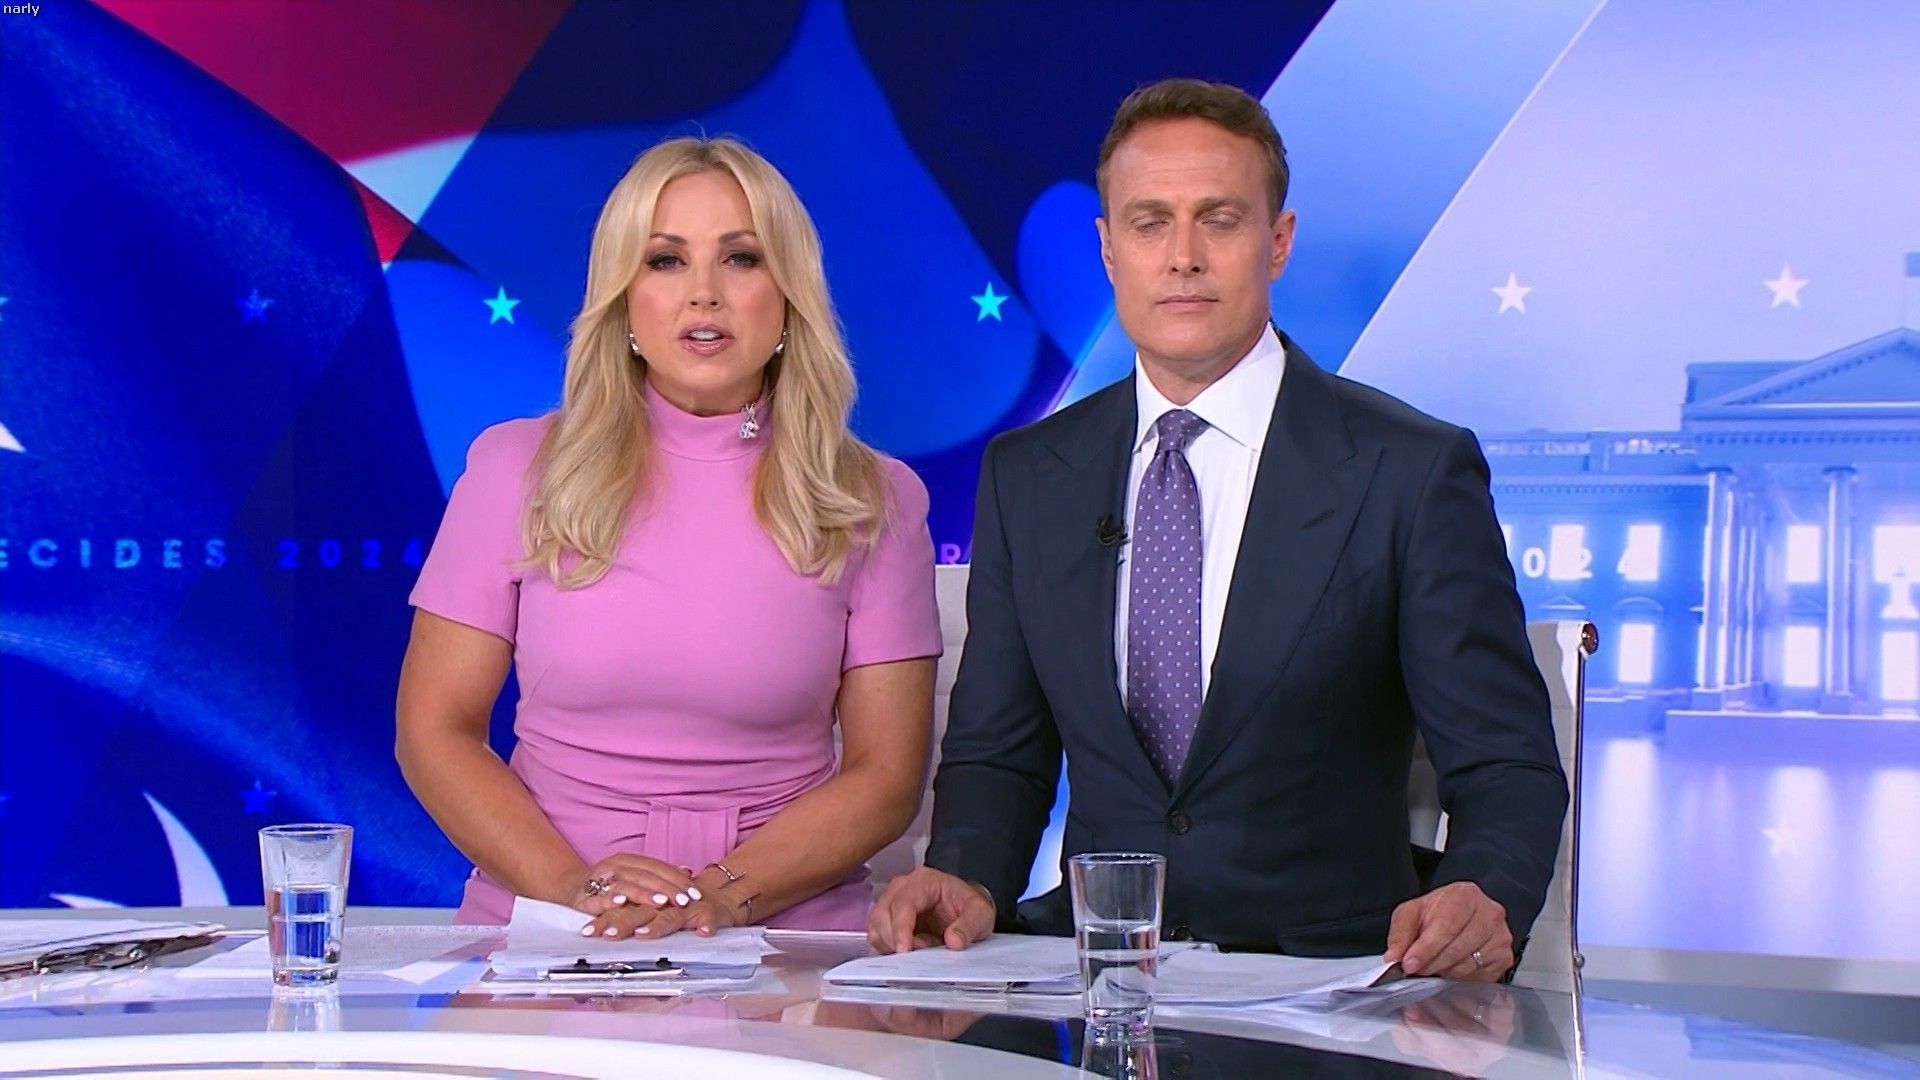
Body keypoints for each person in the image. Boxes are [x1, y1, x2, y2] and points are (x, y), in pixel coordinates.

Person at [870, 79, 1566, 981]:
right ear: (1108, 248)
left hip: (1335, 985)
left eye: (1221, 220)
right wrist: (965, 877)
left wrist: (1483, 892)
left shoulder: (1409, 470)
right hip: (1095, 979)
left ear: (1278, 241)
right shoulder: (1029, 475)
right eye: (1150, 223)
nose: (1183, 257)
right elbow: (998, 759)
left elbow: (1507, 765)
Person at [398, 136, 940, 939]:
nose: (704, 295)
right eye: (665, 260)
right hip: (548, 922)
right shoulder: (514, 469)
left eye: (742, 258)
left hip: (782, 930)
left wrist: (719, 896)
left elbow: (885, 775)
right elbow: (434, 731)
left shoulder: (874, 497)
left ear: (789, 296)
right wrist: (573, 889)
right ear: (623, 298)